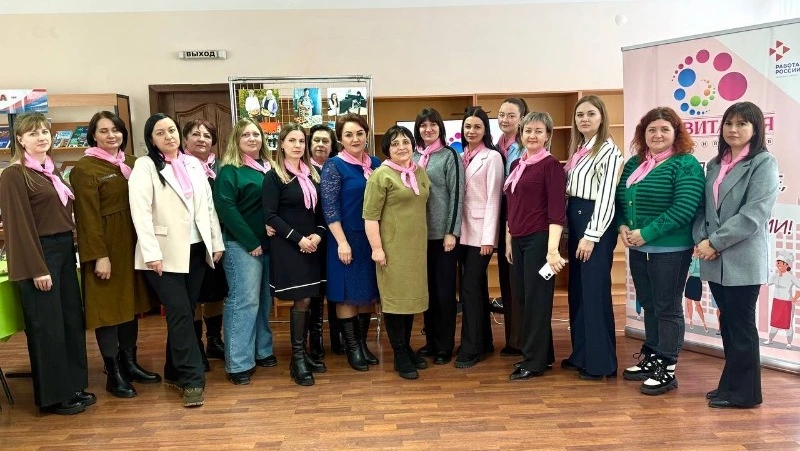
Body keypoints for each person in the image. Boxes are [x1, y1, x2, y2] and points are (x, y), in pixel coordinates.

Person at [0, 112, 94, 415]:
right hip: (40, 254)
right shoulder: (14, 174)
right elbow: (18, 226)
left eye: (44, 131)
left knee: (70, 321)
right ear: (20, 139)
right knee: (47, 328)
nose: (41, 137)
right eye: (33, 133)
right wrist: (37, 268)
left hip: (64, 250)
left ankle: (73, 385)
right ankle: (54, 397)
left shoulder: (50, 171)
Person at [129, 113, 224, 408]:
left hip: (195, 250)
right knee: (180, 313)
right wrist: (151, 253)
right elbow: (140, 213)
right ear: (151, 139)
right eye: (160, 132)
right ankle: (192, 379)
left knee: (184, 311)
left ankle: (172, 369)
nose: (168, 136)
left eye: (171, 130)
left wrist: (215, 241)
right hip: (163, 253)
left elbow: (207, 206)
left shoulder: (192, 163)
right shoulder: (145, 166)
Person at [693, 101, 779, 409]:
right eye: (729, 123)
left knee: (741, 326)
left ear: (756, 129)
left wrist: (714, 242)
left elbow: (753, 215)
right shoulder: (715, 164)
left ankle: (746, 394)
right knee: (728, 323)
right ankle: (730, 385)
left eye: (742, 124)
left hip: (742, 258)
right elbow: (703, 209)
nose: (733, 129)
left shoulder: (763, 163)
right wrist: (701, 239)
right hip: (715, 260)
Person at [71, 111, 160, 400]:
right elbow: (87, 217)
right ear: (93, 136)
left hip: (132, 244)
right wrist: (99, 255)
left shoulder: (133, 163)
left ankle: (130, 363)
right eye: (104, 131)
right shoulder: (84, 169)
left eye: (116, 130)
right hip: (107, 246)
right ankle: (113, 372)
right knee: (108, 310)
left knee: (130, 305)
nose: (111, 135)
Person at [616, 106, 704, 396]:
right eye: (651, 129)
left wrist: (646, 233)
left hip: (671, 249)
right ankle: (652, 355)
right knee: (649, 303)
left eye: (665, 129)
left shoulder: (685, 164)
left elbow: (684, 208)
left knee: (667, 306)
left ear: (676, 133)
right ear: (643, 134)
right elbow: (620, 200)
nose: (657, 134)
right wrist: (622, 227)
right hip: (638, 248)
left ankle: (667, 367)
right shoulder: (635, 163)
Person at [561, 96, 623, 380]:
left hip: (593, 223)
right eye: (580, 115)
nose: (584, 119)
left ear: (602, 117)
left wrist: (591, 235)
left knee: (594, 293)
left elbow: (607, 198)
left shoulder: (608, 151)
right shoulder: (581, 149)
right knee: (579, 291)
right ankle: (581, 354)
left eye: (590, 114)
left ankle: (601, 364)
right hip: (577, 218)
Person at [503, 112, 567, 380]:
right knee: (523, 299)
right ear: (521, 134)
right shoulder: (517, 164)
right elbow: (512, 206)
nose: (532, 135)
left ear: (548, 135)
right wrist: (509, 240)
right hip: (518, 241)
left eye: (539, 131)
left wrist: (552, 251)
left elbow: (556, 213)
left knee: (537, 302)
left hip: (540, 242)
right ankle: (543, 355)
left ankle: (534, 361)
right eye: (528, 130)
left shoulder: (551, 166)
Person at [262, 124, 327, 386]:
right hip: (289, 246)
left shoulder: (313, 174)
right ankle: (297, 358)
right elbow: (270, 216)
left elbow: (321, 213)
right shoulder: (274, 176)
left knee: (309, 299)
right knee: (300, 300)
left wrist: (318, 236)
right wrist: (299, 239)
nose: (298, 145)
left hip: (312, 245)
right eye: (292, 140)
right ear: (282, 144)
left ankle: (305, 354)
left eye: (301, 141)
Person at [213, 118, 277, 385]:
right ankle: (238, 363)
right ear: (236, 140)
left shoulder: (269, 168)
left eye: (256, 134)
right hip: (242, 246)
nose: (252, 139)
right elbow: (226, 209)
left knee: (263, 300)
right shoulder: (230, 170)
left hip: (269, 245)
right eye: (246, 135)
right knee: (244, 301)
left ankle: (262, 350)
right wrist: (251, 242)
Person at [364, 125, 431, 379]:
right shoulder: (380, 175)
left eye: (405, 142)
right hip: (392, 250)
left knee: (410, 300)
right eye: (395, 144)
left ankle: (407, 346)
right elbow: (370, 217)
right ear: (387, 149)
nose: (401, 147)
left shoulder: (419, 171)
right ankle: (399, 353)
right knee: (394, 301)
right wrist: (377, 249)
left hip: (416, 249)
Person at [320, 113, 381, 371]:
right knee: (347, 296)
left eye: (359, 133)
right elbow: (329, 208)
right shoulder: (334, 166)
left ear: (366, 134)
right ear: (340, 139)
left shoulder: (376, 163)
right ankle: (352, 348)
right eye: (348, 134)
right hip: (345, 238)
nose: (355, 139)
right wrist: (342, 242)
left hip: (371, 239)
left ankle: (363, 344)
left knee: (367, 293)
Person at [412, 108, 465, 365]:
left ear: (440, 128)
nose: (428, 129)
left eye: (433, 124)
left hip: (443, 236)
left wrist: (451, 232)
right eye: (423, 125)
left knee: (444, 293)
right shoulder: (412, 156)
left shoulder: (449, 155)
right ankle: (431, 342)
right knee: (427, 292)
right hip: (418, 236)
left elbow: (457, 194)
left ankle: (444, 345)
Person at [455, 106, 503, 368]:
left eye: (477, 127)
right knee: (476, 288)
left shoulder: (492, 157)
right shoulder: (461, 155)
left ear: (485, 130)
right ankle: (483, 342)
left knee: (470, 289)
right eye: (468, 126)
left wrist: (488, 239)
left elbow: (494, 199)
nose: (471, 131)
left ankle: (471, 348)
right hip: (462, 232)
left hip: (480, 235)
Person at [182, 119, 227, 369]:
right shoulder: (179, 166)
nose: (201, 139)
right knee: (195, 295)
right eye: (195, 134)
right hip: (191, 241)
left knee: (214, 292)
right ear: (185, 139)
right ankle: (196, 344)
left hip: (217, 239)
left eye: (207, 135)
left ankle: (214, 340)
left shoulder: (220, 167)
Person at [495, 98, 529, 357]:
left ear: (522, 118)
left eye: (511, 115)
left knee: (520, 281)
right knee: (506, 281)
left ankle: (523, 341)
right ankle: (513, 339)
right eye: (501, 114)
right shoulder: (496, 146)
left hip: (520, 215)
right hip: (499, 214)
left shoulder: (526, 146)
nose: (505, 120)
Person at [307, 124, 343, 358]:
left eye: (325, 141)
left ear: (332, 146)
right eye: (316, 140)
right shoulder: (303, 169)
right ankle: (316, 341)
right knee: (315, 292)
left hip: (337, 236)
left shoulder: (337, 167)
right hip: (311, 239)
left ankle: (338, 339)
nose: (320, 145)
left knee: (336, 288)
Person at [764, 251, 800, 348]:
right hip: (776, 302)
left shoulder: (791, 277)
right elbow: (767, 283)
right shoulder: (775, 276)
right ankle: (770, 339)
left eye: (782, 262)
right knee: (774, 323)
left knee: (788, 324)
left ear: (787, 265)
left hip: (786, 303)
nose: (779, 264)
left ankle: (789, 343)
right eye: (778, 262)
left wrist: (795, 297)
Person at [684, 255, 708, 333]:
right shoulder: (691, 258)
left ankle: (704, 323)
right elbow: (691, 271)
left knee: (697, 304)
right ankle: (691, 321)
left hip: (698, 281)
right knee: (688, 303)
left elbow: (700, 271)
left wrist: (697, 259)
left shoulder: (702, 259)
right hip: (690, 280)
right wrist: (694, 259)